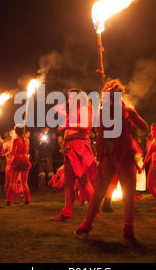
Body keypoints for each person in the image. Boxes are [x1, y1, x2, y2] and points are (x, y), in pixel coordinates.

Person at [75, 79, 149, 247]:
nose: (106, 97)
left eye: (109, 94)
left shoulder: (127, 111)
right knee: (99, 193)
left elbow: (145, 128)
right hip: (108, 157)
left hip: (123, 155)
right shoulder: (102, 113)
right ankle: (87, 226)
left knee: (127, 195)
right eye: (106, 94)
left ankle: (127, 233)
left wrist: (134, 116)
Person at [51, 88, 96, 221]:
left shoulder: (83, 109)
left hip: (79, 148)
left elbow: (84, 128)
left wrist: (67, 126)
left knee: (84, 181)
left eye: (71, 97)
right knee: (69, 183)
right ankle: (66, 212)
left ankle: (94, 211)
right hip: (71, 149)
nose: (69, 100)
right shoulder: (76, 111)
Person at [7, 125, 31, 205]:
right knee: (24, 183)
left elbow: (13, 152)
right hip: (25, 161)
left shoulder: (16, 140)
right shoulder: (27, 140)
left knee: (12, 182)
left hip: (18, 161)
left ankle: (9, 200)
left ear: (16, 132)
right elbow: (27, 151)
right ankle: (27, 200)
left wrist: (9, 152)